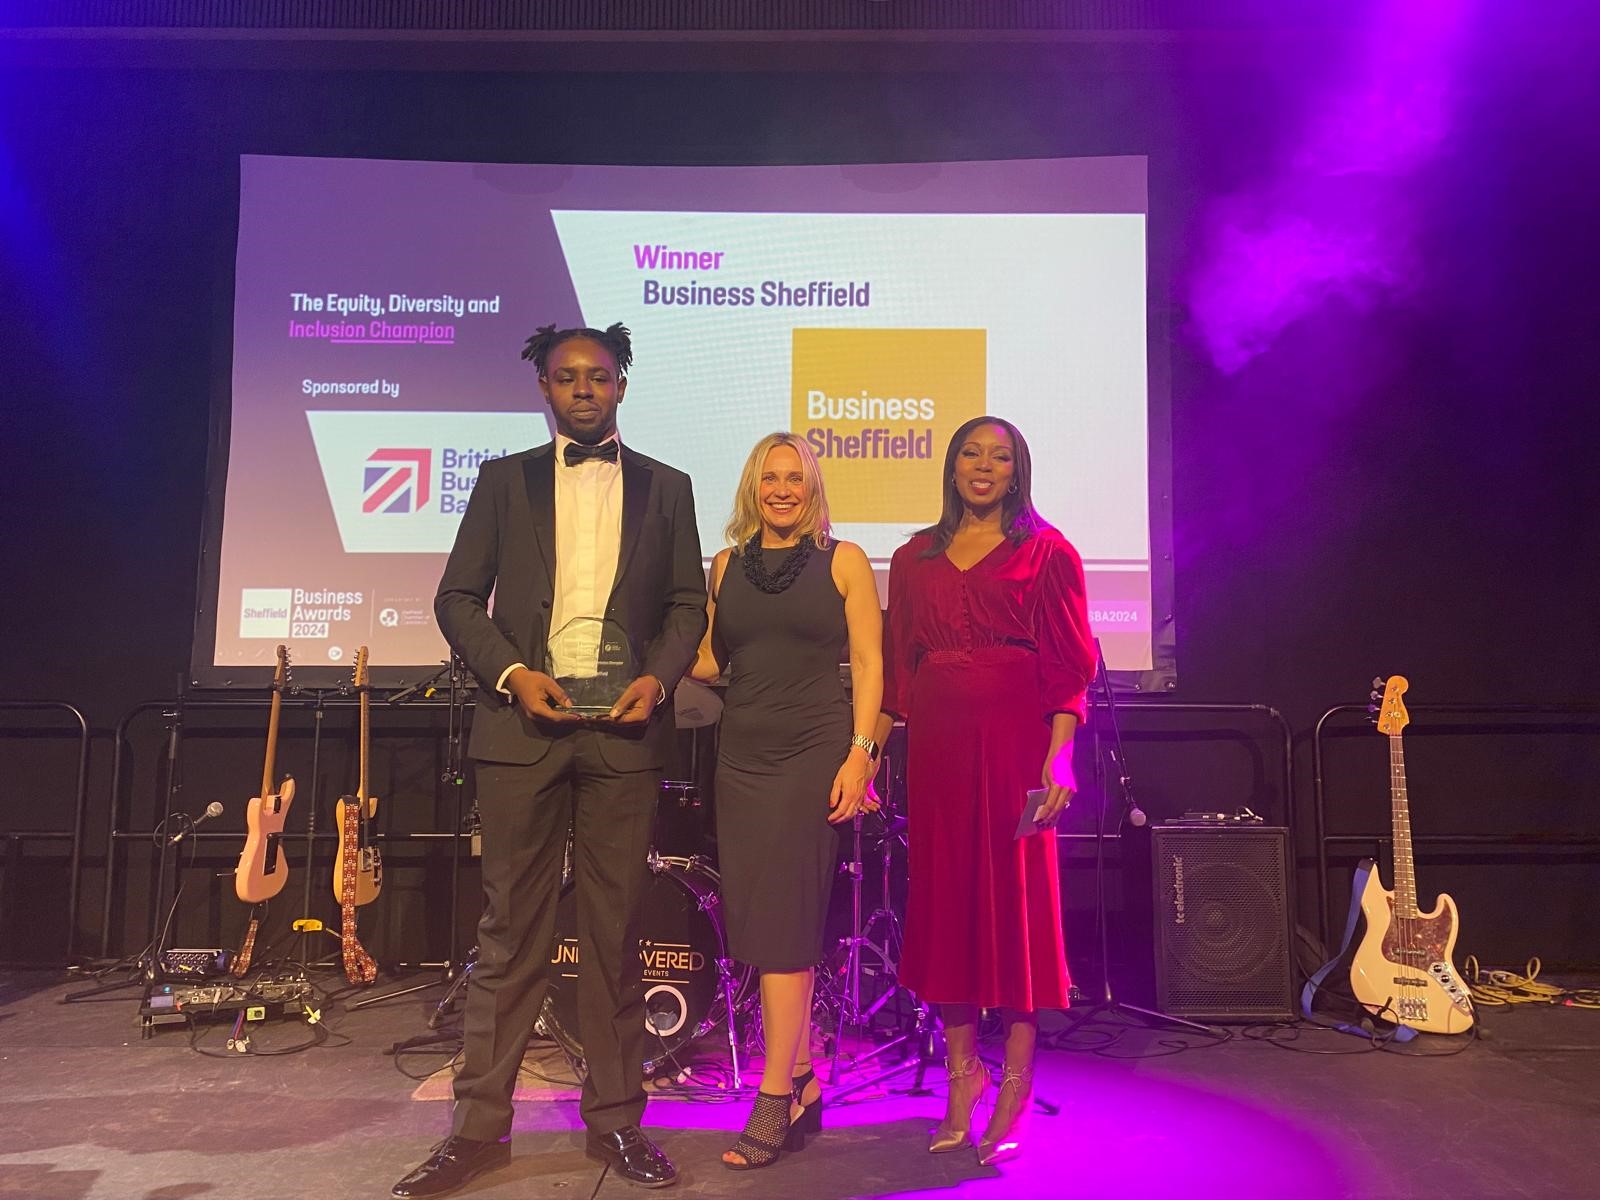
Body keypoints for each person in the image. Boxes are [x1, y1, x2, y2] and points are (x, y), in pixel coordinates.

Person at [393, 323, 706, 1197]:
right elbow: (456, 595)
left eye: (597, 377)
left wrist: (657, 675)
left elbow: (689, 602)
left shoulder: (669, 489)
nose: (582, 389)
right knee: (509, 936)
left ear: (620, 387)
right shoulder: (502, 482)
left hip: (625, 734)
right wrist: (512, 672)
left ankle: (616, 1123)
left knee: (616, 934)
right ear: (543, 388)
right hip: (520, 731)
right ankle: (476, 1131)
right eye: (566, 377)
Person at [872, 415, 1094, 1167]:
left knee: (1017, 909)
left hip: (1014, 746)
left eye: (1000, 456)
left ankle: (1018, 1083)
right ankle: (962, 1075)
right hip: (935, 749)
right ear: (952, 465)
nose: (984, 466)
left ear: (1016, 471)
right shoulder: (911, 558)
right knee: (948, 909)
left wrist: (1059, 760)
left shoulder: (1047, 552)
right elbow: (898, 676)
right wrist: (870, 755)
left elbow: (1068, 667)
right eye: (972, 452)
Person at [689, 432, 882, 1171]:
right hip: (741, 760)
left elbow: (869, 662)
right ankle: (803, 1081)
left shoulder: (846, 562)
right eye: (769, 477)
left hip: (813, 757)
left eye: (793, 477)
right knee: (760, 926)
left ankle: (771, 1095)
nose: (781, 489)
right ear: (752, 487)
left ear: (811, 488)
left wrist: (860, 757)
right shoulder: (728, 565)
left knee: (785, 926)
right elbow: (711, 658)